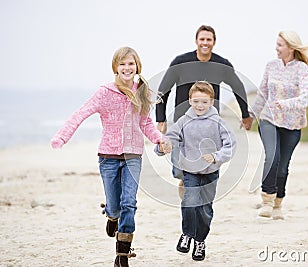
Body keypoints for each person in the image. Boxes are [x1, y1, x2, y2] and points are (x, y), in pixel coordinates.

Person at [50, 47, 170, 267]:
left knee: (129, 204)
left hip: (133, 155)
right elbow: (81, 113)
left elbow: (145, 123)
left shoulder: (142, 91)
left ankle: (122, 255)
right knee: (115, 206)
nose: (127, 68)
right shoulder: (104, 92)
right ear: (115, 67)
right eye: (122, 64)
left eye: (131, 64)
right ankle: (111, 216)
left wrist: (159, 139)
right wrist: (62, 137)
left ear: (137, 67)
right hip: (108, 157)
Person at [156, 24, 253, 197]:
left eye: (209, 39)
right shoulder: (181, 62)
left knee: (205, 164)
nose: (205, 43)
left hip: (210, 125)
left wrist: (245, 115)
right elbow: (163, 90)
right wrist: (161, 118)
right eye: (202, 39)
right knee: (179, 169)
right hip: (182, 123)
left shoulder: (221, 64)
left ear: (214, 42)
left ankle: (195, 192)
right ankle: (184, 180)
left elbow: (238, 87)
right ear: (196, 41)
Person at [155, 81, 236, 261]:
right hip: (189, 170)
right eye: (196, 101)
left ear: (211, 102)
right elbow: (170, 138)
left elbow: (230, 145)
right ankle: (187, 234)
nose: (200, 106)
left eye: (205, 102)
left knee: (205, 208)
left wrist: (216, 156)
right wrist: (162, 148)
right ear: (190, 101)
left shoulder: (218, 122)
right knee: (190, 201)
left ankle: (200, 241)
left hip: (211, 171)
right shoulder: (184, 121)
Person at [250, 31, 308, 220]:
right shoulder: (271, 66)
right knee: (272, 157)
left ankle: (278, 203)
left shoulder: (302, 69)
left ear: (291, 47)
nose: (276, 48)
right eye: (277, 44)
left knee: (283, 167)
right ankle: (266, 200)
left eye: (280, 45)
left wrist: (286, 104)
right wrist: (251, 115)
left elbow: (306, 98)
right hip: (269, 119)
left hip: (292, 124)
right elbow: (263, 93)